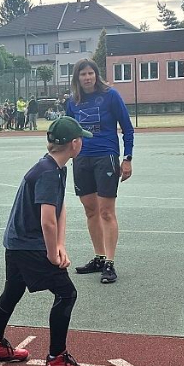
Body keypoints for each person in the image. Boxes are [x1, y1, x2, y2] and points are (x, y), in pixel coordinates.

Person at [0, 116, 95, 366]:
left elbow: (59, 207)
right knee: (66, 294)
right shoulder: (48, 172)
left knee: (13, 290)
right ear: (74, 144)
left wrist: (60, 244)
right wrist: (51, 253)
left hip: (18, 242)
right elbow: (47, 220)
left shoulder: (56, 168)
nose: (82, 143)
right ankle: (57, 361)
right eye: (80, 139)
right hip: (28, 245)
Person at [65, 58, 135, 284]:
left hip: (106, 157)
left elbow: (127, 128)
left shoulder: (110, 96)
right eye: (82, 74)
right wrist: (64, 155)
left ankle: (110, 263)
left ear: (96, 75)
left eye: (90, 73)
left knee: (106, 212)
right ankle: (99, 257)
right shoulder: (72, 101)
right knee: (90, 210)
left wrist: (127, 158)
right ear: (77, 78)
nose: (87, 77)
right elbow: (69, 131)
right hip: (81, 159)